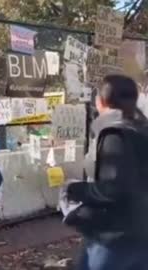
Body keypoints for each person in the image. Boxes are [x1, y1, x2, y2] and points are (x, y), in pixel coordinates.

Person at [64, 75, 148, 270]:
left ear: (101, 101)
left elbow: (113, 188)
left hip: (114, 235)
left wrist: (74, 190)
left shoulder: (115, 133)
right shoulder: (142, 129)